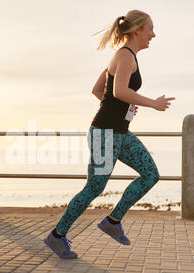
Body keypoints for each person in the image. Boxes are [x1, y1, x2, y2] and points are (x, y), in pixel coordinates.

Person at [44, 10, 174, 259]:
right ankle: (57, 236)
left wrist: (126, 105)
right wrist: (151, 103)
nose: (153, 34)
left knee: (150, 174)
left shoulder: (126, 57)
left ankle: (113, 221)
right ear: (137, 30)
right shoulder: (125, 56)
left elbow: (99, 90)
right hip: (104, 135)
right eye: (150, 29)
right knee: (94, 188)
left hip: (119, 134)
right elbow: (119, 91)